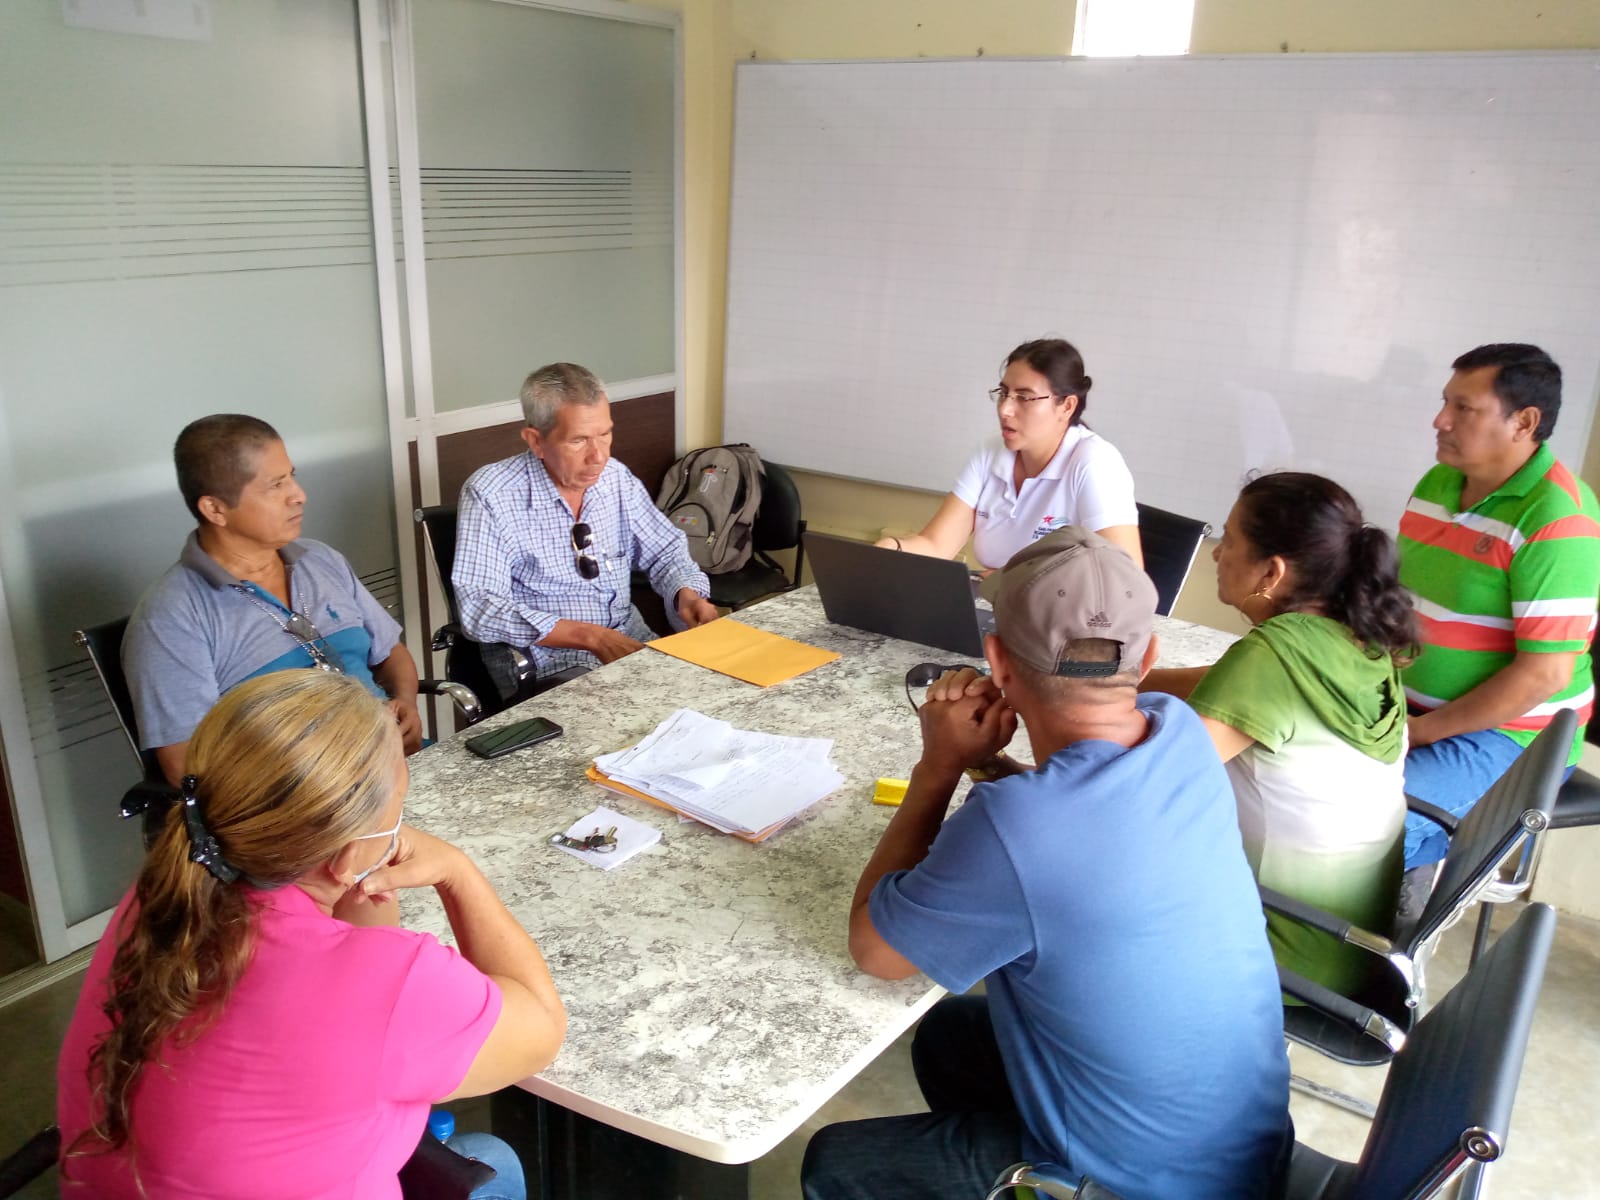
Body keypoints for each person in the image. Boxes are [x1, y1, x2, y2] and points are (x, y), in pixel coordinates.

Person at [803, 528, 1288, 1200]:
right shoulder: (1177, 731)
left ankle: (1048, 1180)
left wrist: (938, 767)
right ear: (1148, 657)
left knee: (833, 1163)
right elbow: (1073, 822)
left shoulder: (1014, 827)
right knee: (948, 1037)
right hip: (1240, 1148)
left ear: (997, 662)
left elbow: (875, 951)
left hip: (1146, 1188)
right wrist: (984, 761)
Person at [56, 670, 566, 1198]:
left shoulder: (164, 891)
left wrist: (361, 865)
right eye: (397, 816)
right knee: (499, 1164)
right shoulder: (388, 983)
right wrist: (457, 871)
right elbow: (541, 1030)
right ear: (349, 853)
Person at [1141, 473, 1415, 993]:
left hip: (1278, 957)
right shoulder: (1355, 639)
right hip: (1347, 946)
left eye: (1229, 540)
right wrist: (1116, 681)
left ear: (1271, 572)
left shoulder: (1272, 657)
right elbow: (1216, 683)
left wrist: (1042, 716)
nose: (1217, 553)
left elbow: (1141, 789)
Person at [124, 414, 425, 786]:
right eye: (276, 485)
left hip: (397, 766)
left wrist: (406, 703)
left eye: (292, 476)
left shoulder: (320, 560)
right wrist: (319, 774)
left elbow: (390, 653)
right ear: (215, 509)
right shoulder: (171, 616)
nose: (299, 495)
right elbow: (184, 765)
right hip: (307, 799)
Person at [1398, 343, 1600, 871]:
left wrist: (1422, 732)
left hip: (1511, 734)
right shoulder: (1439, 482)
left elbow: (1544, 674)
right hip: (1410, 707)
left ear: (1523, 422)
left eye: (1464, 408)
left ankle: (1406, 894)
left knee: (1364, 823)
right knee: (1292, 787)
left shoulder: (1557, 518)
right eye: (1446, 402)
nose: (1440, 421)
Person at [453, 362, 718, 680]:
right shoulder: (491, 493)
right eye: (578, 441)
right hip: (549, 661)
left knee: (717, 687)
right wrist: (590, 636)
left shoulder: (615, 477)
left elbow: (665, 551)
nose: (598, 456)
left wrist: (686, 593)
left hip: (628, 640)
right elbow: (480, 608)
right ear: (535, 441)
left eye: (605, 434)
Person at [875, 339, 1142, 569]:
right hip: (1000, 604)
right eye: (1004, 393)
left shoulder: (1095, 463)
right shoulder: (990, 452)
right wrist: (891, 547)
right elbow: (936, 545)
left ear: (1066, 406)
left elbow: (1123, 580)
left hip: (1060, 612)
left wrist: (1013, 580)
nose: (1005, 410)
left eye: (1024, 397)